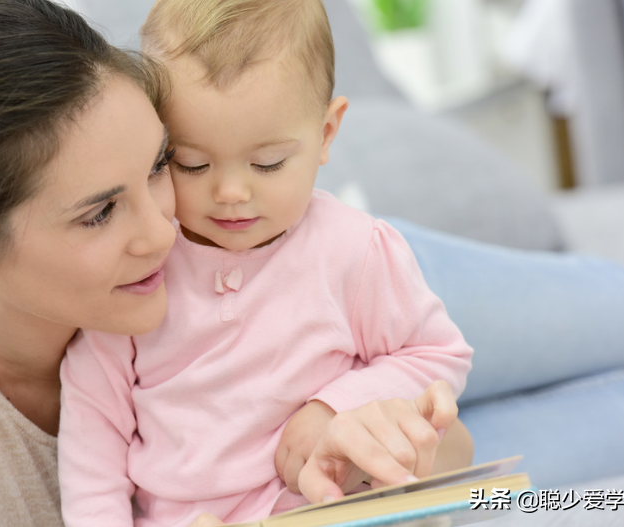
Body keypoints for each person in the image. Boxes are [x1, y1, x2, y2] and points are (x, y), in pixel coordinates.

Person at [0, 1, 463, 525]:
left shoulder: (256, 233)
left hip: (325, 267)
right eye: (99, 213)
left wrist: (364, 419)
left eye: (160, 164)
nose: (166, 233)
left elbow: (452, 435)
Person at [57, 1, 474, 526]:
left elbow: (436, 355)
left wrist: (333, 406)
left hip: (327, 508)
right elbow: (92, 446)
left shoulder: (352, 249)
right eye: (191, 163)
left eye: (268, 163)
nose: (231, 193)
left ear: (325, 134)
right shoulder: (140, 267)